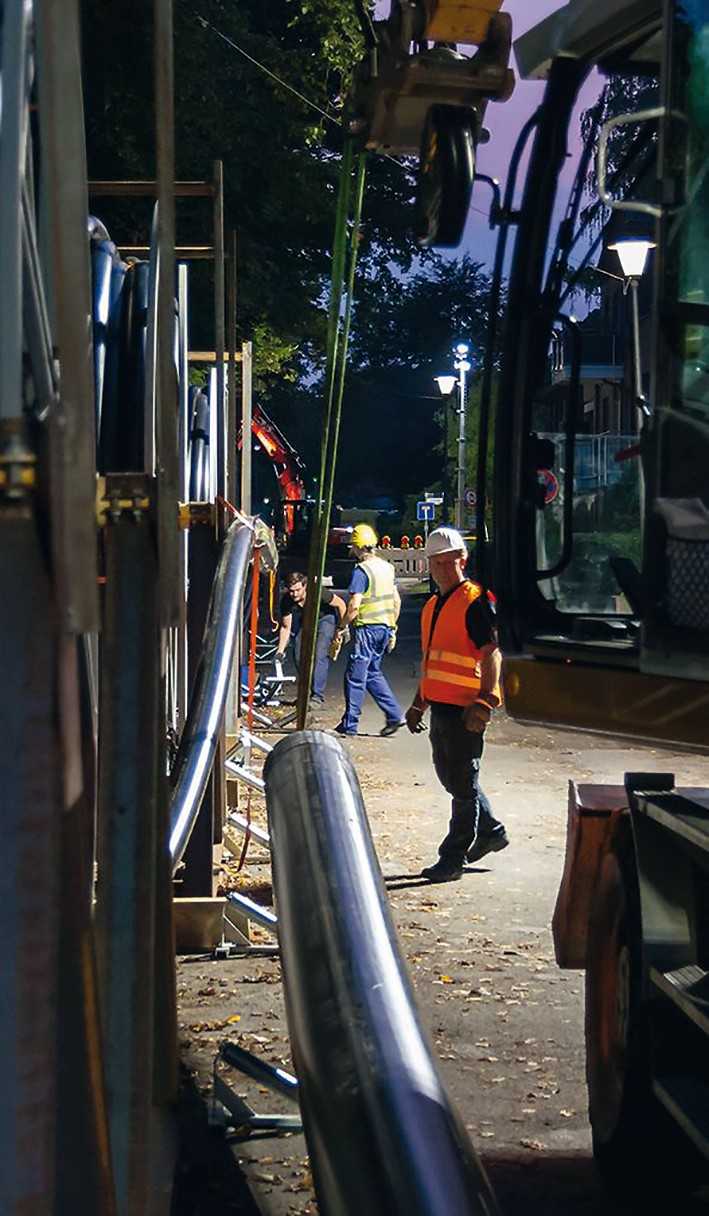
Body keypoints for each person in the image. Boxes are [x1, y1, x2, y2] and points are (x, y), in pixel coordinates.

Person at [405, 525, 509, 882]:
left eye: (451, 561)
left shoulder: (475, 600)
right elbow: (432, 659)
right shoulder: (432, 605)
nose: (444, 568)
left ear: (463, 560)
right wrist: (419, 703)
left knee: (463, 785)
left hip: (466, 710)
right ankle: (491, 830)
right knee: (454, 778)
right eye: (438, 562)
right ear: (430, 565)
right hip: (441, 706)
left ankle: (453, 857)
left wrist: (486, 701)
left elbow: (491, 653)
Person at [334, 523, 406, 737]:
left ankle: (350, 725)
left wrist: (342, 626)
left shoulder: (361, 570)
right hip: (384, 628)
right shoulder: (387, 567)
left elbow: (354, 605)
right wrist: (392, 626)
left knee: (355, 676)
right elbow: (396, 601)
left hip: (367, 629)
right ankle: (394, 715)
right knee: (372, 673)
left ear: (356, 547)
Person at [276, 571, 346, 706]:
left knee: (320, 653)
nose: (294, 594)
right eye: (291, 591)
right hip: (307, 620)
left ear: (305, 586)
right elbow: (286, 627)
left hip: (325, 618)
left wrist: (342, 628)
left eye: (297, 590)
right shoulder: (287, 600)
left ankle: (317, 696)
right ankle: (305, 693)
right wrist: (280, 651)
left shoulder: (318, 592)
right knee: (298, 653)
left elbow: (341, 604)